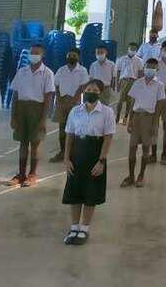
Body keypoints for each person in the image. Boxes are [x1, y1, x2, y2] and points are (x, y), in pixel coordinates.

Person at [61, 79, 114, 246]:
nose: (91, 92)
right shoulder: (75, 111)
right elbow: (70, 135)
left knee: (91, 192)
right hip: (77, 153)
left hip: (94, 154)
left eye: (95, 90)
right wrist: (67, 158)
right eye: (88, 89)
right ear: (84, 91)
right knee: (75, 192)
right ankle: (74, 227)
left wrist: (101, 161)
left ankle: (84, 228)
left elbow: (108, 138)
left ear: (100, 93)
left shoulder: (107, 112)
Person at [8, 44, 55, 187]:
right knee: (23, 142)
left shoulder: (47, 73)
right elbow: (15, 94)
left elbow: (48, 98)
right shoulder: (22, 72)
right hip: (22, 108)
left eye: (37, 53)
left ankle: (32, 174)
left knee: (35, 143)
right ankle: (21, 174)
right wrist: (13, 115)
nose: (33, 55)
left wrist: (43, 119)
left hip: (37, 109)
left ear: (42, 55)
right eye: (31, 52)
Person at [122, 59, 166, 188]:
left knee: (146, 148)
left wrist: (155, 123)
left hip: (149, 117)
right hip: (137, 116)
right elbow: (132, 101)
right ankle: (131, 176)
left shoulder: (159, 85)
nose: (150, 69)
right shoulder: (138, 83)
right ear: (144, 67)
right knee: (132, 147)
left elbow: (159, 105)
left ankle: (141, 175)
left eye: (153, 67)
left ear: (157, 69)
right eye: (148, 66)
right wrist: (130, 119)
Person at [51, 51, 90, 162]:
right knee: (62, 129)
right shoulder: (61, 70)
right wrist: (59, 99)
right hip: (62, 102)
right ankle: (62, 152)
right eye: (69, 55)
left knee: (74, 129)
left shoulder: (82, 70)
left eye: (74, 56)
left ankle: (73, 154)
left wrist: (74, 100)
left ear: (78, 57)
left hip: (75, 102)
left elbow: (83, 86)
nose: (71, 57)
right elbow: (56, 85)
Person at [114, 43, 143, 124]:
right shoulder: (121, 59)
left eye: (134, 49)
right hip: (123, 81)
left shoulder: (139, 61)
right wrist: (117, 83)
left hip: (133, 82)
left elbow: (140, 73)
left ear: (136, 50)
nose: (132, 50)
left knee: (129, 101)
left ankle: (125, 117)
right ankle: (117, 116)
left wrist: (139, 85)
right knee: (120, 100)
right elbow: (118, 72)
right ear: (128, 49)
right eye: (131, 48)